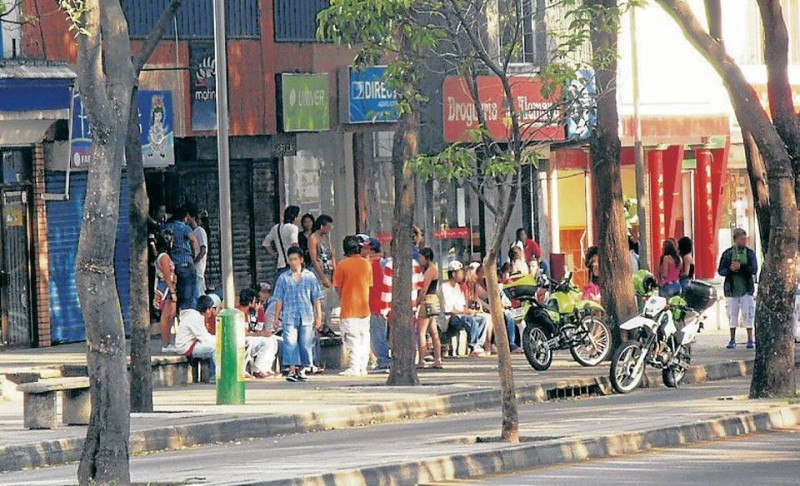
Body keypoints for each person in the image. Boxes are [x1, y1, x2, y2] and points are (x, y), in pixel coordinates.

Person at [274, 247, 324, 382]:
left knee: (305, 343)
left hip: (306, 315)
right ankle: (291, 370)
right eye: (290, 260)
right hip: (289, 316)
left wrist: (319, 317)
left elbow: (316, 298)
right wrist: (276, 317)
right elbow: (279, 299)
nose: (292, 262)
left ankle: (302, 369)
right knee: (290, 342)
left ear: (301, 260)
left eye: (295, 259)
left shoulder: (310, 277)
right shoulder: (283, 278)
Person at [334, 235, 373, 376]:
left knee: (352, 340)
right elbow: (369, 284)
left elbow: (338, 287)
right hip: (364, 308)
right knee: (364, 339)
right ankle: (362, 367)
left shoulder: (341, 265)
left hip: (349, 309)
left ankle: (354, 367)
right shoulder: (366, 264)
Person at [718, 228, 758, 350]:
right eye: (741, 239)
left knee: (748, 314)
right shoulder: (728, 253)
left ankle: (750, 338)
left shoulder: (750, 253)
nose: (744, 241)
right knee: (732, 315)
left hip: (746, 289)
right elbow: (721, 270)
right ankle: (732, 338)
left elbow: (754, 269)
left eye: (745, 239)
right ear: (735, 240)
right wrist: (730, 269)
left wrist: (742, 267)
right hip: (732, 289)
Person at [441, 261, 488, 356]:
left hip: (461, 315)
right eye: (460, 272)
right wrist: (465, 312)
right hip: (451, 318)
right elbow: (449, 310)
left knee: (482, 319)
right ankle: (473, 346)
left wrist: (470, 311)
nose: (462, 274)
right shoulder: (444, 288)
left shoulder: (458, 287)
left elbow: (462, 306)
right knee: (471, 321)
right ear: (454, 274)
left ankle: (479, 344)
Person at [473, 264, 520, 353]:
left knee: (518, 314)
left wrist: (505, 304)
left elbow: (505, 300)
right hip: (489, 310)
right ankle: (511, 344)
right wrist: (493, 308)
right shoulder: (476, 286)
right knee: (507, 315)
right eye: (482, 273)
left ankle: (520, 343)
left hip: (504, 309)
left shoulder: (497, 286)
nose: (485, 275)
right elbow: (479, 301)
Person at [163, 206, 200, 311]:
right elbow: (193, 240)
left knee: (179, 291)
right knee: (191, 294)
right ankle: (189, 314)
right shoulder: (184, 227)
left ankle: (180, 313)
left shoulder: (167, 227)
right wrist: (193, 256)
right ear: (184, 217)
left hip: (173, 264)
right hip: (186, 263)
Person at [236, 288, 279, 378]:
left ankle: (263, 368)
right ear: (252, 301)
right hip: (239, 339)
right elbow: (243, 333)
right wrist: (260, 334)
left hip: (249, 337)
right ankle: (253, 369)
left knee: (272, 340)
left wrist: (259, 312)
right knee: (262, 341)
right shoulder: (239, 312)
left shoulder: (248, 312)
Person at [362, 237, 391, 371]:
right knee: (379, 332)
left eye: (365, 247)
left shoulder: (372, 264)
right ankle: (383, 359)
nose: (362, 250)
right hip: (381, 303)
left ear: (371, 249)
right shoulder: (382, 263)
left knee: (377, 333)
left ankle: (383, 360)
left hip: (376, 304)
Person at [174, 295, 217, 383]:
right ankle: (214, 375)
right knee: (216, 348)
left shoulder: (195, 316)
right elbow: (204, 338)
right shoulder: (195, 318)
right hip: (186, 347)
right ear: (207, 309)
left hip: (191, 343)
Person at [416, 247, 443, 369]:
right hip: (433, 301)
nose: (419, 259)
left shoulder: (430, 270)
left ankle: (421, 360)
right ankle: (438, 358)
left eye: (421, 257)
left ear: (426, 258)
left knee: (421, 332)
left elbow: (423, 288)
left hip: (427, 300)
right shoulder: (432, 269)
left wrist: (417, 302)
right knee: (433, 332)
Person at [154, 231, 178, 352]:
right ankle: (166, 343)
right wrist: (173, 292)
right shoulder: (164, 257)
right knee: (166, 317)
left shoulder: (161, 256)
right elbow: (167, 277)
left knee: (171, 316)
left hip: (168, 288)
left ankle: (168, 342)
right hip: (167, 289)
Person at [263, 205, 301, 281]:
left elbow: (265, 243)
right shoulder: (293, 228)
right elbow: (294, 244)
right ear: (295, 217)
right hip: (291, 265)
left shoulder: (276, 228)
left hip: (280, 264)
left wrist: (274, 254)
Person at [187, 204, 208, 299]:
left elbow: (203, 250)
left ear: (193, 218)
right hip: (193, 269)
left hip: (198, 269)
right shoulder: (190, 232)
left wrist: (194, 261)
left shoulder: (200, 231)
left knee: (199, 294)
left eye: (188, 217)